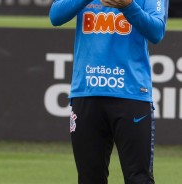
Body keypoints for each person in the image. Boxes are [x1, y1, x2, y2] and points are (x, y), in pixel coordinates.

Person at [49, 0, 169, 183]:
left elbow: (156, 31)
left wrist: (128, 6)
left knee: (139, 178)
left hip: (131, 94)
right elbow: (55, 16)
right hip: (87, 91)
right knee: (89, 178)